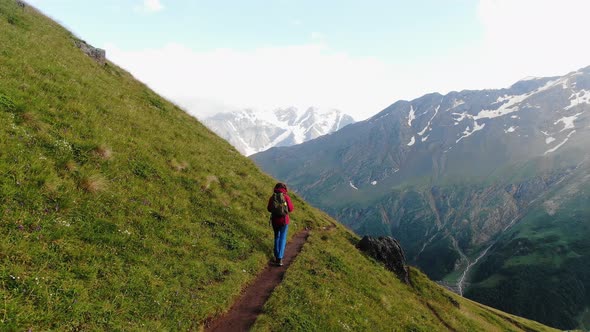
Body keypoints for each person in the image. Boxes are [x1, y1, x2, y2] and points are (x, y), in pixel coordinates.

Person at [267, 182, 294, 266]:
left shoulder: (272, 197)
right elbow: (291, 209)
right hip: (284, 221)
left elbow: (269, 209)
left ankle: (276, 255)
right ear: (284, 189)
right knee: (282, 238)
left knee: (276, 237)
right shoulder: (286, 197)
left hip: (275, 220)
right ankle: (280, 258)